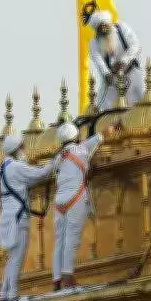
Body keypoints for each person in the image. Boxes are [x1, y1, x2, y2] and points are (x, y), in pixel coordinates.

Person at [51, 121, 116, 290]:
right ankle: (67, 277)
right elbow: (105, 132)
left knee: (59, 241)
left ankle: (57, 279)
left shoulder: (58, 157)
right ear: (76, 137)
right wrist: (116, 125)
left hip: (59, 202)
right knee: (71, 239)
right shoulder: (83, 148)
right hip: (75, 198)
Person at [0, 133, 55, 301]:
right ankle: (12, 293)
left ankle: (4, 292)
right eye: (22, 147)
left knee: (12, 256)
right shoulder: (15, 167)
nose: (24, 150)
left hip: (9, 217)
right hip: (18, 218)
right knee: (17, 256)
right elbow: (40, 174)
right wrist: (55, 161)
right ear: (16, 149)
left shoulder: (3, 168)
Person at [86, 9, 144, 110]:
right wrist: (107, 74)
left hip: (132, 74)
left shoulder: (122, 29)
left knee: (143, 105)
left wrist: (123, 61)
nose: (104, 30)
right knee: (105, 109)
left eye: (105, 26)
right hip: (113, 80)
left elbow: (135, 45)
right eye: (100, 29)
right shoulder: (94, 43)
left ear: (109, 24)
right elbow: (99, 61)